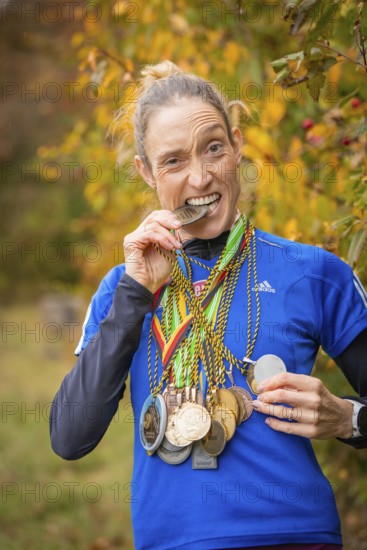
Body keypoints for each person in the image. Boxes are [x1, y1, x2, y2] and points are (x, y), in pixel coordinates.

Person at [50, 61, 367, 550]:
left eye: (213, 148)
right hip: (170, 541)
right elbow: (70, 438)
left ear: (237, 147)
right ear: (147, 173)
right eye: (174, 161)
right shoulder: (122, 289)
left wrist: (347, 418)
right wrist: (136, 293)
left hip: (297, 537)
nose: (200, 177)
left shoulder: (316, 272)